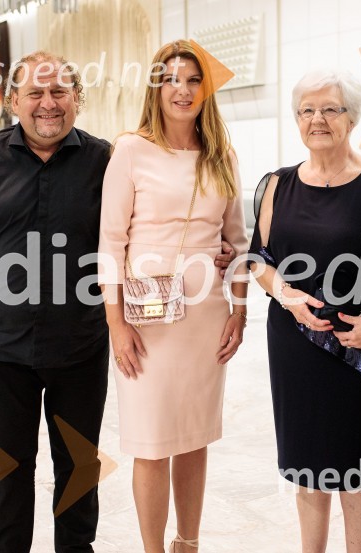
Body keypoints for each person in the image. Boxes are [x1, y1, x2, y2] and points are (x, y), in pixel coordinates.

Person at [0, 49, 237, 553]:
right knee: (5, 463)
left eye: (59, 92)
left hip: (80, 341)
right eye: (35, 93)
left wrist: (212, 250)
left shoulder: (104, 159)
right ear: (13, 101)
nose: (48, 103)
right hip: (1, 342)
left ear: (78, 98)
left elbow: (137, 227)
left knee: (78, 463)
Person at [97, 40, 249, 553]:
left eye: (193, 80)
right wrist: (116, 324)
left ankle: (188, 542)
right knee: (150, 442)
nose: (182, 90)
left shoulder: (222, 155)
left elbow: (238, 242)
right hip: (145, 319)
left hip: (205, 317)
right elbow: (110, 242)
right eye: (171, 80)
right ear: (156, 89)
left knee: (193, 438)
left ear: (206, 90)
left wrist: (240, 310)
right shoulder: (130, 150)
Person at [249, 70, 361, 553]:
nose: (317, 119)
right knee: (306, 467)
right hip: (293, 345)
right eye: (307, 110)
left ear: (352, 118)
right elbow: (259, 259)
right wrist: (287, 297)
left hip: (356, 349)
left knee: (355, 471)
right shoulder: (277, 184)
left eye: (330, 109)